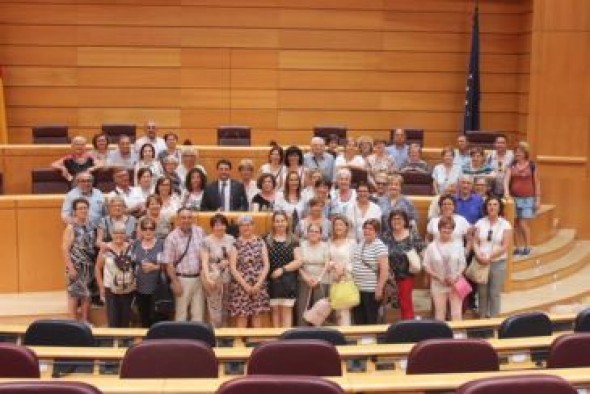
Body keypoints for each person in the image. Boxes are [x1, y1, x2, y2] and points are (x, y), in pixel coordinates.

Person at [162, 208, 206, 321]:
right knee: (181, 315)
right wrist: (175, 282)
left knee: (198, 314)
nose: (186, 220)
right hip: (182, 279)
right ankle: (180, 338)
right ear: (178, 220)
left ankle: (197, 338)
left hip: (199, 278)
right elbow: (169, 264)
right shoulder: (171, 238)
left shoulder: (199, 231)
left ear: (193, 219)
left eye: (189, 217)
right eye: (183, 218)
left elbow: (205, 253)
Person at [381, 210, 425, 320]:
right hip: (389, 276)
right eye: (393, 219)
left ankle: (408, 329)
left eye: (399, 218)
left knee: (405, 303)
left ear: (405, 221)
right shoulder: (386, 236)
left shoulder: (412, 234)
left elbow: (423, 252)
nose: (396, 221)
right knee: (387, 305)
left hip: (406, 275)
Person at [473, 197, 512, 318]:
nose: (492, 207)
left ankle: (493, 320)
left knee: (494, 293)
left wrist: (489, 257)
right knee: (482, 293)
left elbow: (505, 246)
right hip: (481, 262)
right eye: (489, 204)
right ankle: (482, 319)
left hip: (497, 263)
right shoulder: (480, 222)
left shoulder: (505, 224)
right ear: (486, 207)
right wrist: (479, 255)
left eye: (495, 204)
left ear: (499, 207)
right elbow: (475, 242)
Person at [229, 215, 270, 328]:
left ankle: (256, 343)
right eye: (243, 225)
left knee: (257, 315)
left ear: (253, 226)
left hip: (258, 284)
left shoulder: (260, 242)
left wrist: (258, 284)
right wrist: (245, 286)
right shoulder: (235, 244)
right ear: (239, 227)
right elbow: (233, 268)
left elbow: (266, 265)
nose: (246, 227)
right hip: (241, 286)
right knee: (242, 316)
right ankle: (239, 344)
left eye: (249, 225)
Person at [423, 216, 467, 321]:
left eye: (449, 228)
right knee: (439, 314)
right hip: (438, 284)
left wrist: (456, 277)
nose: (446, 230)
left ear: (452, 230)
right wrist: (438, 277)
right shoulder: (431, 246)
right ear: (439, 229)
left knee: (456, 313)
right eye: (444, 227)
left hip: (455, 283)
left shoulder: (458, 245)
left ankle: (458, 335)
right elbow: (426, 265)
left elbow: (463, 264)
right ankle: (441, 336)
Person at [62, 198, 97, 323]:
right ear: (75, 211)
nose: (83, 210)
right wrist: (70, 267)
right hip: (76, 266)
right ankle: (72, 322)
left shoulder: (92, 225)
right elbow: (65, 249)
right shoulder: (71, 227)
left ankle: (85, 321)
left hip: (89, 266)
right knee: (74, 294)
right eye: (80, 208)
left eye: (85, 208)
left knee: (87, 294)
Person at [265, 211, 302, 328]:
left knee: (286, 311)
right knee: (275, 311)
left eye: (282, 221)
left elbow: (299, 261)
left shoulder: (294, 240)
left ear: (287, 223)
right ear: (273, 224)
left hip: (288, 281)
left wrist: (282, 270)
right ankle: (276, 342)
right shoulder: (266, 239)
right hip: (271, 282)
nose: (280, 224)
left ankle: (286, 341)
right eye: (277, 221)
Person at [95, 222, 135, 328]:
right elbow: (97, 268)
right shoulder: (105, 248)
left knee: (126, 317)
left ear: (125, 234)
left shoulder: (131, 247)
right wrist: (101, 287)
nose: (119, 235)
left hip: (128, 288)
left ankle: (125, 341)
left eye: (122, 233)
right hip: (110, 289)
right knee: (113, 318)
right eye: (116, 233)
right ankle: (113, 342)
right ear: (111, 234)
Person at [504, 141, 540, 256]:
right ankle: (518, 247)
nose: (517, 154)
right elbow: (506, 180)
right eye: (516, 152)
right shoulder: (512, 165)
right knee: (514, 224)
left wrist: (538, 199)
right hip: (514, 199)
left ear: (525, 153)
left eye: (520, 152)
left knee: (523, 223)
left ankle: (527, 246)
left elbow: (537, 182)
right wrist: (506, 192)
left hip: (528, 199)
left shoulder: (532, 165)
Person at [201, 214, 236, 328]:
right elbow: (204, 261)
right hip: (213, 277)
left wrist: (229, 263)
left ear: (226, 226)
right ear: (212, 226)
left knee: (226, 306)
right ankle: (215, 334)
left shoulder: (231, 239)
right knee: (214, 307)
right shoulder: (206, 241)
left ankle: (224, 334)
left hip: (227, 277)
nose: (219, 227)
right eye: (216, 225)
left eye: (222, 224)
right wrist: (207, 278)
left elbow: (235, 258)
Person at [351, 219, 388, 325]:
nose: (367, 231)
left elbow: (384, 270)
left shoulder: (379, 246)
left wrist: (379, 288)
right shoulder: (361, 243)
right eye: (365, 228)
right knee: (358, 319)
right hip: (357, 289)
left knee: (370, 319)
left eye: (370, 229)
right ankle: (361, 340)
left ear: (376, 232)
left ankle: (371, 341)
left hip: (371, 290)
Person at [130, 217, 165, 328]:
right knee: (143, 315)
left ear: (155, 230)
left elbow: (168, 264)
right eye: (145, 228)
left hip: (157, 287)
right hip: (139, 286)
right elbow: (132, 263)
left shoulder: (161, 244)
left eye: (151, 228)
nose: (148, 231)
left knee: (156, 316)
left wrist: (155, 267)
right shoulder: (136, 244)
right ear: (141, 230)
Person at [296, 222, 331, 326]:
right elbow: (298, 264)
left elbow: (327, 264)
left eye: (317, 231)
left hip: (321, 280)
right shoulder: (301, 245)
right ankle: (301, 335)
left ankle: (319, 335)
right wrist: (306, 278)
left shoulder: (325, 246)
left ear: (320, 234)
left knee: (320, 310)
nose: (314, 233)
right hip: (304, 280)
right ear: (307, 233)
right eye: (311, 231)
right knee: (302, 308)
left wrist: (318, 279)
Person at [326, 215, 356, 325]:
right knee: (333, 312)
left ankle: (345, 337)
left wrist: (343, 270)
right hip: (332, 278)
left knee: (344, 312)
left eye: (341, 225)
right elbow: (327, 260)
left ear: (346, 227)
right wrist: (333, 266)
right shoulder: (330, 242)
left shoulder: (351, 243)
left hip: (346, 279)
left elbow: (355, 261)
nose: (338, 227)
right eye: (336, 225)